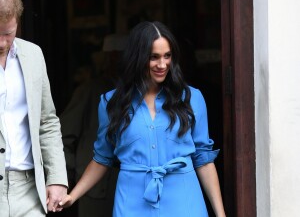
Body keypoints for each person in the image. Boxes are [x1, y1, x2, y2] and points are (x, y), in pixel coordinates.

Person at [59, 21, 226, 217]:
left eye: (167, 56)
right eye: (153, 57)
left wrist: (220, 214)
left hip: (184, 201)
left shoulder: (191, 98)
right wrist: (73, 195)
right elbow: (102, 158)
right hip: (131, 202)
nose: (162, 64)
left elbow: (204, 160)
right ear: (137, 57)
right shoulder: (111, 103)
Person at [0, 0, 68, 216]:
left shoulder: (33, 55)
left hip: (28, 187)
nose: (2, 42)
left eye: (8, 33)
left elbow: (47, 121)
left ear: (18, 22)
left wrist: (57, 177)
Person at [60, 33, 127, 217]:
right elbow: (63, 135)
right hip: (95, 189)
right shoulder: (90, 91)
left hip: (128, 185)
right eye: (116, 55)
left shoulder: (137, 91)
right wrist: (70, 177)